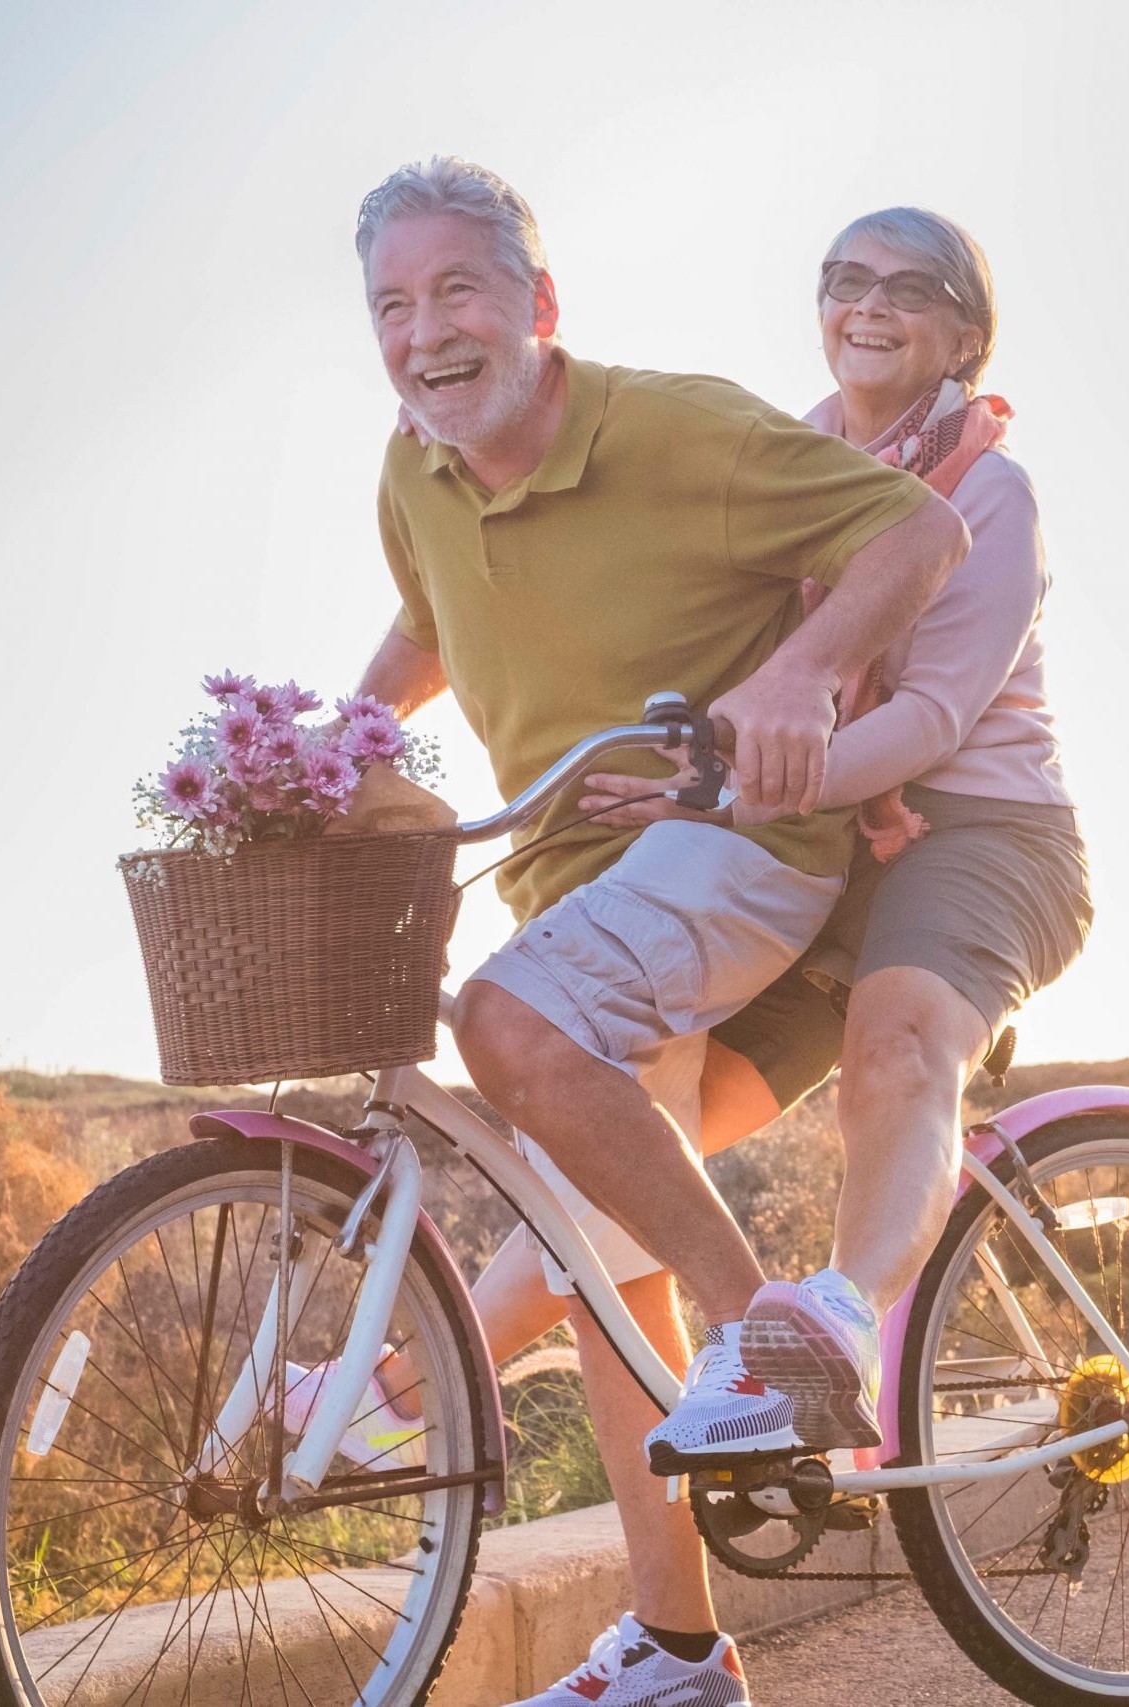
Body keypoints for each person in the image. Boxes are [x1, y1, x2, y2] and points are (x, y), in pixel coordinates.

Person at [384, 203, 1090, 1705]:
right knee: (608, 1175)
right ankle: (488, 1463)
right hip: (807, 835)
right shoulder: (793, 447)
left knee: (901, 1038)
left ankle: (809, 1330)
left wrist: (718, 782)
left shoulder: (992, 492)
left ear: (969, 335)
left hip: (973, 832)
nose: (870, 305)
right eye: (845, 282)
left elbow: (924, 727)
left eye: (911, 290)